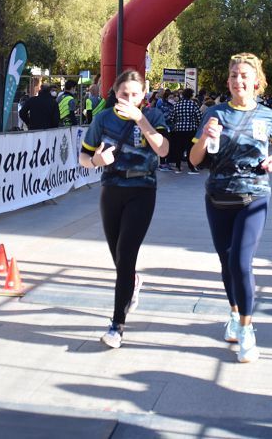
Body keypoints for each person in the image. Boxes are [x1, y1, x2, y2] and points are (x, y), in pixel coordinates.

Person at [190, 53, 272, 364]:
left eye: (244, 75)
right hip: (218, 196)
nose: (238, 81)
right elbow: (194, 160)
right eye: (233, 75)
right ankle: (234, 314)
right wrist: (205, 138)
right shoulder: (214, 113)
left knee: (241, 263)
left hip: (254, 195)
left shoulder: (268, 115)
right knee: (226, 261)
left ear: (256, 81)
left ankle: (247, 330)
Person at [79, 70, 169, 349]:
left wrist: (140, 119)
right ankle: (133, 282)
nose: (128, 99)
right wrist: (96, 160)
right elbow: (83, 157)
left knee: (126, 255)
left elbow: (164, 149)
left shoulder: (152, 116)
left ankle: (117, 324)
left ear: (143, 95)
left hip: (142, 190)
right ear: (115, 94)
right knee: (118, 256)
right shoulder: (103, 118)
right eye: (123, 94)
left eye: (134, 95)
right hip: (111, 190)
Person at [169, 88, 201, 174]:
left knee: (179, 148)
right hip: (191, 129)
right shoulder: (193, 104)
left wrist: (178, 123)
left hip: (179, 129)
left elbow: (171, 118)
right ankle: (191, 167)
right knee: (190, 148)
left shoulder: (177, 105)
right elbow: (199, 117)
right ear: (191, 95)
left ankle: (178, 166)